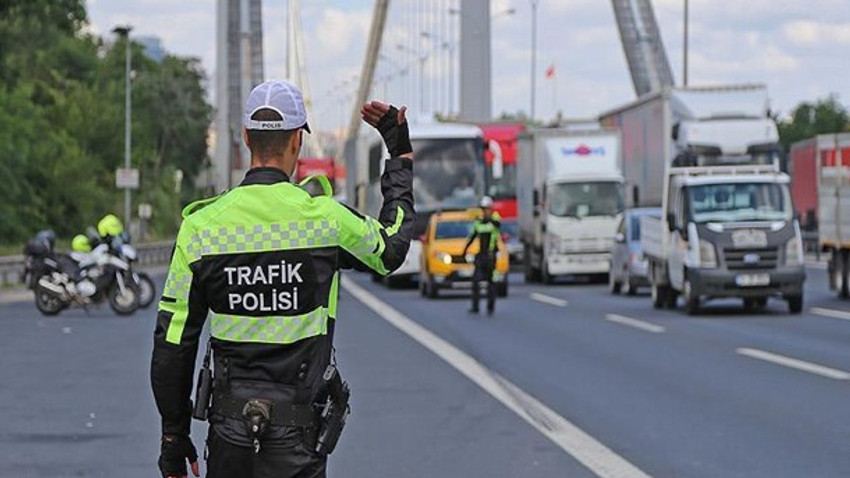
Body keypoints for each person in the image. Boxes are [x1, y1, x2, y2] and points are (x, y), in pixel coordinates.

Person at [150, 80, 415, 478]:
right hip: (300, 438)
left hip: (229, 437)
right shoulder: (325, 221)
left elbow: (173, 344)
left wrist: (173, 436)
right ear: (297, 141)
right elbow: (391, 248)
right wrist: (399, 157)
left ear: (245, 140)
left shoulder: (200, 229)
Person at [462, 196, 501, 315]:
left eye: (487, 209)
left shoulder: (495, 220)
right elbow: (471, 237)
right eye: (484, 209)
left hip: (491, 256)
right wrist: (464, 251)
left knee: (491, 283)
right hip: (481, 255)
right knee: (475, 281)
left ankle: (490, 307)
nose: (486, 211)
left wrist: (488, 219)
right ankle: (475, 307)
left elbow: (497, 224)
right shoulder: (478, 223)